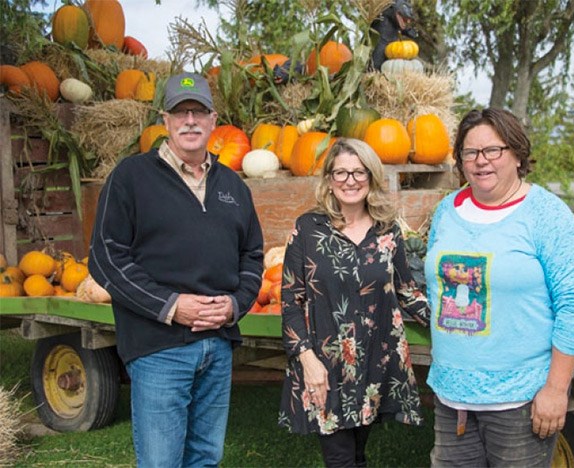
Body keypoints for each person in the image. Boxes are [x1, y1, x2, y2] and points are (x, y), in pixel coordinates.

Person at [88, 72, 264, 467]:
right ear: (164, 120)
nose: (190, 121)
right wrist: (170, 305)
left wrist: (235, 305)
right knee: (161, 461)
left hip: (217, 346)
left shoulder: (233, 186)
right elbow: (105, 258)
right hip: (158, 348)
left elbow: (252, 256)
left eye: (198, 112)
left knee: (204, 458)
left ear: (213, 121)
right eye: (180, 112)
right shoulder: (131, 178)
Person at [425, 108, 574, 467]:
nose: (480, 161)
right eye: (470, 153)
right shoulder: (445, 211)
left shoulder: (546, 215)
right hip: (452, 399)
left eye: (493, 150)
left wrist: (555, 390)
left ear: (517, 154)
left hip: (519, 402)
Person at [278, 138, 430, 467]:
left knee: (357, 455)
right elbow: (291, 300)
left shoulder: (388, 231)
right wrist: (308, 360)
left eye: (359, 172)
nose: (350, 181)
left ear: (371, 177)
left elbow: (406, 291)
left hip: (374, 359)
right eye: (341, 172)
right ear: (329, 180)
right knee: (340, 459)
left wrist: (452, 321)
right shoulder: (308, 229)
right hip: (326, 362)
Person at [370, 0, 418, 70]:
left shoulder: (395, 19)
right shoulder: (385, 11)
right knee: (376, 63)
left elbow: (398, 25)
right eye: (405, 7)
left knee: (391, 65)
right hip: (381, 42)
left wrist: (407, 31)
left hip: (393, 46)